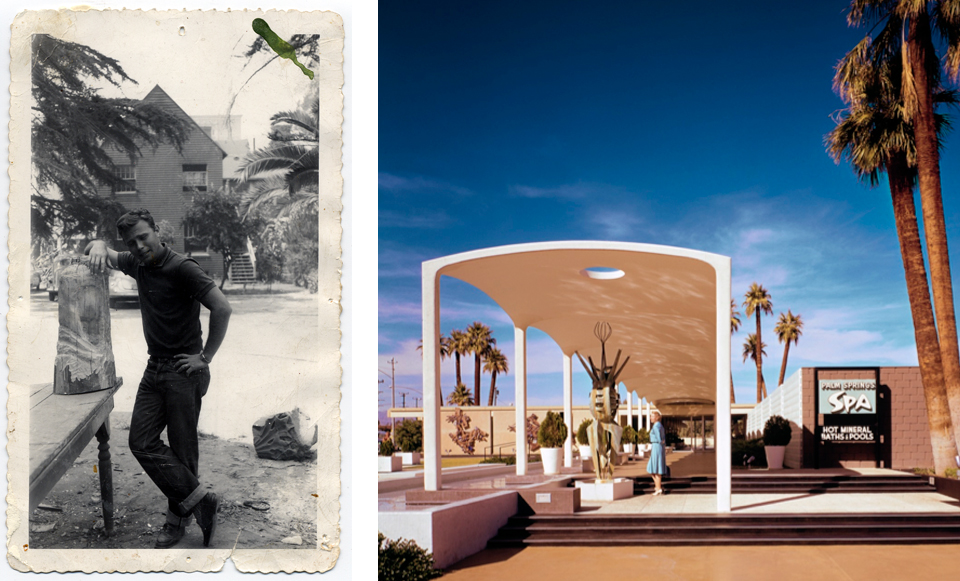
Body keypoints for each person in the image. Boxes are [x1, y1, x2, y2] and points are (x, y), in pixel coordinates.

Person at [85, 208, 233, 549]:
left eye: (143, 237)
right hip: (154, 369)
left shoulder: (182, 267)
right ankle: (201, 502)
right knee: (141, 441)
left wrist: (205, 357)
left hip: (184, 371)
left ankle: (175, 521)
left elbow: (222, 308)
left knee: (183, 450)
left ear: (156, 230)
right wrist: (96, 244)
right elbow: (105, 252)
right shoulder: (136, 263)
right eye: (131, 242)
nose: (138, 246)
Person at [646, 411, 668, 495]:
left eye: (652, 416)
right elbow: (662, 438)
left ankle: (658, 488)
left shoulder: (656, 426)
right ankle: (657, 487)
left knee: (655, 468)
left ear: (656, 417)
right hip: (659, 447)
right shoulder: (660, 426)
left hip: (656, 447)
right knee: (654, 467)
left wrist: (658, 441)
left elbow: (659, 438)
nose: (650, 418)